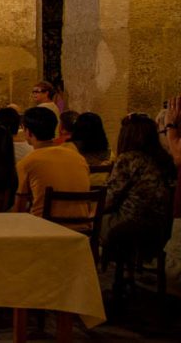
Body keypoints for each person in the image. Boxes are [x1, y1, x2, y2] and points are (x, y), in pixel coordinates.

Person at [102, 113, 175, 296]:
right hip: (160, 226)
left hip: (130, 224)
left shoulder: (129, 159)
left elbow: (110, 199)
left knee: (89, 227)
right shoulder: (164, 159)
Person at [13, 107, 90, 218]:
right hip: (82, 229)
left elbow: (19, 211)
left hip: (46, 229)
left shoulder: (27, 162)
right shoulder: (78, 157)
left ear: (28, 132)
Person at [66, 112, 112, 184]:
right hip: (100, 191)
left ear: (77, 128)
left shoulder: (69, 149)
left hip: (77, 190)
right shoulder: (110, 154)